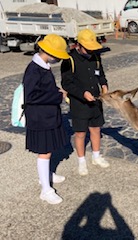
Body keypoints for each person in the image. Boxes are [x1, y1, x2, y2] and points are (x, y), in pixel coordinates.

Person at [23, 34, 70, 204]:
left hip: (48, 114)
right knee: (44, 152)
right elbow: (32, 96)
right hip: (40, 117)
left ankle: (47, 174)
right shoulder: (34, 69)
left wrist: (56, 91)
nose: (58, 59)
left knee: (49, 148)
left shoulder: (43, 66)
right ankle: (45, 189)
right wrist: (57, 96)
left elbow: (44, 89)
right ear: (50, 53)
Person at [61, 29, 109, 176]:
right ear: (79, 45)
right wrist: (83, 93)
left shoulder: (95, 56)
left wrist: (105, 85)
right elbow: (66, 84)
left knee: (96, 129)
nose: (90, 51)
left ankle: (96, 156)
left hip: (95, 100)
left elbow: (100, 74)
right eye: (87, 48)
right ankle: (81, 161)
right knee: (80, 133)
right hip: (79, 103)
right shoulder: (69, 60)